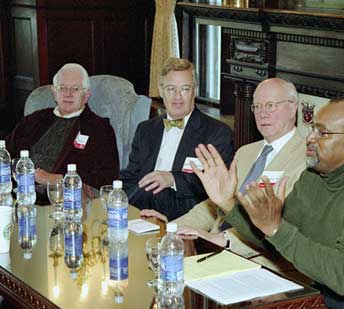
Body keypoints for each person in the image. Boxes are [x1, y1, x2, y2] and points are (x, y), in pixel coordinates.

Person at [192, 97, 344, 308]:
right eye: (311, 129)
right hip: (333, 293)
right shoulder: (314, 177)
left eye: (322, 133)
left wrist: (276, 228)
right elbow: (275, 240)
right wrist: (228, 203)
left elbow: (342, 275)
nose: (310, 139)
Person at [141, 78, 306, 265]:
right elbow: (214, 206)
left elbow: (283, 225)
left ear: (292, 108)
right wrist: (172, 227)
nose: (262, 114)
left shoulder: (306, 160)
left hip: (261, 261)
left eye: (271, 105)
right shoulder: (246, 152)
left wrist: (224, 240)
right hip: (212, 249)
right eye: (257, 107)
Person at [121, 57, 233, 221]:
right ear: (161, 90)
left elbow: (217, 184)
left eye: (185, 89)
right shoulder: (145, 129)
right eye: (171, 89)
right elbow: (131, 176)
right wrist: (115, 195)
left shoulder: (216, 132)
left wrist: (172, 178)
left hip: (186, 211)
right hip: (143, 207)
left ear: (194, 90)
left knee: (153, 192)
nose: (177, 97)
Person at [6, 63, 119, 191]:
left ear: (86, 96)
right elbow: (5, 155)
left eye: (75, 89)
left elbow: (106, 178)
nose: (68, 94)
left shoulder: (99, 129)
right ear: (54, 93)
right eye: (62, 88)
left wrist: (56, 179)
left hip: (65, 198)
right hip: (19, 191)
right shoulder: (34, 120)